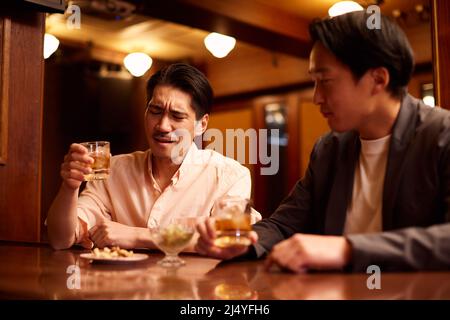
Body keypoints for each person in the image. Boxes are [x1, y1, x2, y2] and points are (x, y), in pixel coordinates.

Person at [196, 11, 450, 272]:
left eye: (325, 81)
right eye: (314, 82)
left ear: (378, 80)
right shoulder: (330, 148)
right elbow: (284, 224)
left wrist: (347, 248)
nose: (316, 97)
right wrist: (245, 242)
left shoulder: (442, 135)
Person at [47, 63, 261, 250]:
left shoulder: (230, 175)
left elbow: (231, 240)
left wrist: (136, 236)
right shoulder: (114, 169)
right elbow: (60, 239)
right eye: (155, 111)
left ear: (201, 125)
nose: (162, 126)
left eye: (177, 116)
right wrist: (70, 187)